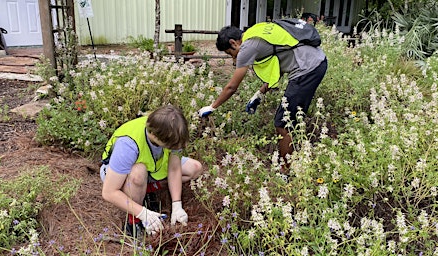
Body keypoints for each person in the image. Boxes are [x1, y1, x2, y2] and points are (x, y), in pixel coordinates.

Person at [198, 19, 327, 172]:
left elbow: (232, 87)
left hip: (308, 69)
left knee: (283, 123)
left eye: (230, 54)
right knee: (289, 119)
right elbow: (276, 67)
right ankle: (293, 158)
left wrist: (212, 106)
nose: (233, 59)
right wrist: (259, 93)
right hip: (314, 62)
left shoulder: (247, 47)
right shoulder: (256, 31)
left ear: (234, 43)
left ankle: (285, 171)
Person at [100, 105, 203, 238]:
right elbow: (108, 192)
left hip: (153, 168)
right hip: (119, 175)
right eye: (170, 146)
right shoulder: (127, 145)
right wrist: (143, 213)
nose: (174, 148)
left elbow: (174, 168)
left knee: (195, 168)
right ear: (155, 136)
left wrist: (177, 204)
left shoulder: (172, 132)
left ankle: (147, 189)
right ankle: (133, 221)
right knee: (138, 174)